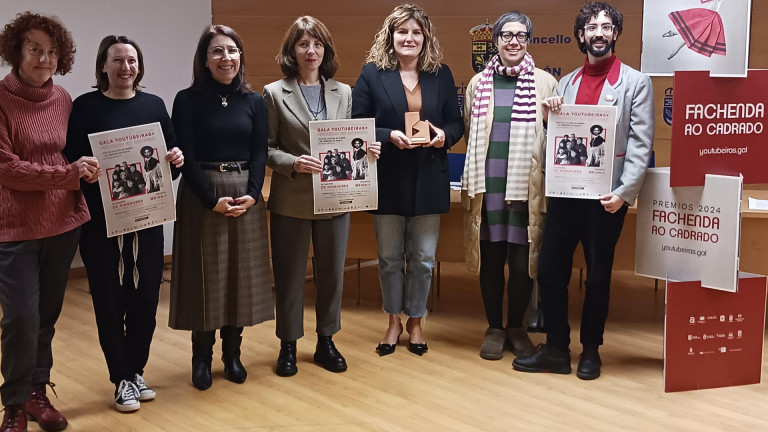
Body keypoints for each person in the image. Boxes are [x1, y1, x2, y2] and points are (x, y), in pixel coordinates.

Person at [513, 1, 654, 380]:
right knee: (550, 272)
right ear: (581, 35)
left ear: (615, 34)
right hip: (565, 196)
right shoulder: (567, 83)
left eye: (606, 26)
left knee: (597, 278)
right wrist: (547, 118)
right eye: (591, 27)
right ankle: (557, 349)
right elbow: (555, 143)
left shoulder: (636, 83)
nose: (599, 32)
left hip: (607, 200)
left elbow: (642, 145)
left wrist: (625, 193)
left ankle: (591, 350)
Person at [64, 35, 185, 412]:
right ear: (103, 66)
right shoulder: (85, 107)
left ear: (139, 66)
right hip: (101, 223)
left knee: (147, 299)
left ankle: (135, 371)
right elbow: (71, 160)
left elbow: (171, 164)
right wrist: (85, 169)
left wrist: (176, 158)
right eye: (117, 61)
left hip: (146, 222)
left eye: (131, 61)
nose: (125, 68)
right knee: (109, 300)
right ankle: (120, 378)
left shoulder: (153, 105)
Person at [264, 16, 381, 377]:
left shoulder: (343, 92)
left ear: (325, 50)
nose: (311, 50)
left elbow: (347, 143)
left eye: (317, 44)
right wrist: (292, 162)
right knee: (289, 276)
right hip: (291, 198)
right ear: (292, 51)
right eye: (303, 44)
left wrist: (367, 150)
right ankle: (288, 343)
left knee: (332, 274)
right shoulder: (272, 93)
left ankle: (326, 340)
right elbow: (264, 149)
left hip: (335, 199)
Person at [0, 12, 99, 432]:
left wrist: (89, 169)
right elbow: (7, 168)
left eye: (52, 51)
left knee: (45, 316)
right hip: (15, 227)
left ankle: (37, 394)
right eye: (34, 49)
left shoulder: (63, 99)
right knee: (20, 316)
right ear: (16, 51)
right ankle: (15, 404)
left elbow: (71, 154)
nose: (44, 58)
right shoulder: (1, 99)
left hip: (62, 222)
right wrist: (69, 173)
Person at [352, 3, 464, 356]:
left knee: (423, 257)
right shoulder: (372, 73)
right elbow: (358, 121)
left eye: (416, 32)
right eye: (403, 32)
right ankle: (393, 321)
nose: (409, 38)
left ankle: (415, 321)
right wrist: (388, 135)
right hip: (388, 177)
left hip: (429, 175)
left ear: (425, 38)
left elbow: (456, 124)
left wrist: (442, 136)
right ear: (391, 36)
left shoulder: (441, 74)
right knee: (388, 257)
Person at [169, 25, 273, 390]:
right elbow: (187, 156)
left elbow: (259, 151)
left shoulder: (254, 101)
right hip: (203, 194)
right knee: (206, 277)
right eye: (217, 51)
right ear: (205, 59)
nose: (225, 57)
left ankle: (233, 354)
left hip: (244, 192)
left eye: (231, 50)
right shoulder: (187, 99)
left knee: (239, 278)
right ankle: (202, 357)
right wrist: (211, 200)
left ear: (240, 56)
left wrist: (254, 193)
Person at [461, 11, 558, 361]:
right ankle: (494, 328)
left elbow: (556, 138)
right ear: (496, 41)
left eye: (520, 35)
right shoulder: (477, 84)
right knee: (490, 261)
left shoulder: (546, 83)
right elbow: (472, 132)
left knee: (521, 264)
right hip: (489, 189)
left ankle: (516, 327)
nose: (513, 41)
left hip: (526, 190)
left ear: (528, 41)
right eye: (506, 35)